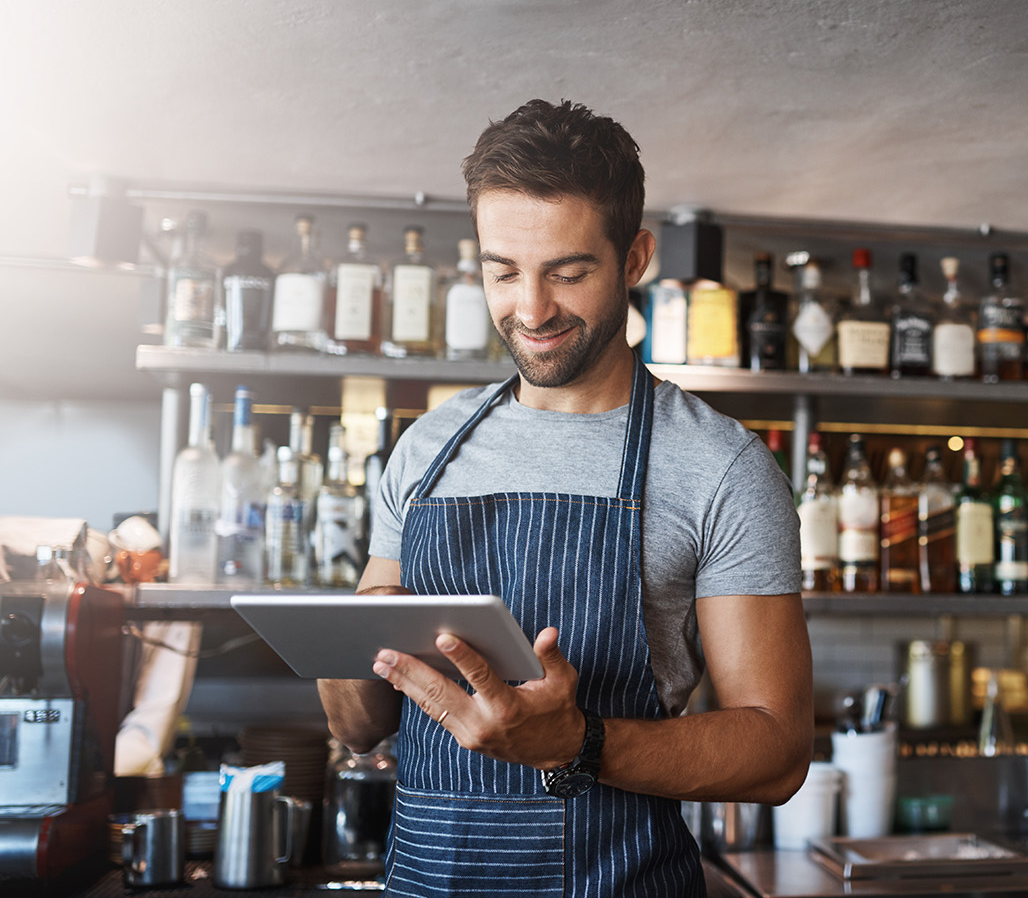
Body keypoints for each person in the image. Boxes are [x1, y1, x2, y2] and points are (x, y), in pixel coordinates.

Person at [317, 98, 812, 897]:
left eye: (568, 271)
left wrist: (577, 743)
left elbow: (778, 752)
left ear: (635, 257)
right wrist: (348, 647)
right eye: (502, 271)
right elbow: (360, 727)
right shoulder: (426, 451)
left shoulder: (720, 468)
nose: (532, 310)